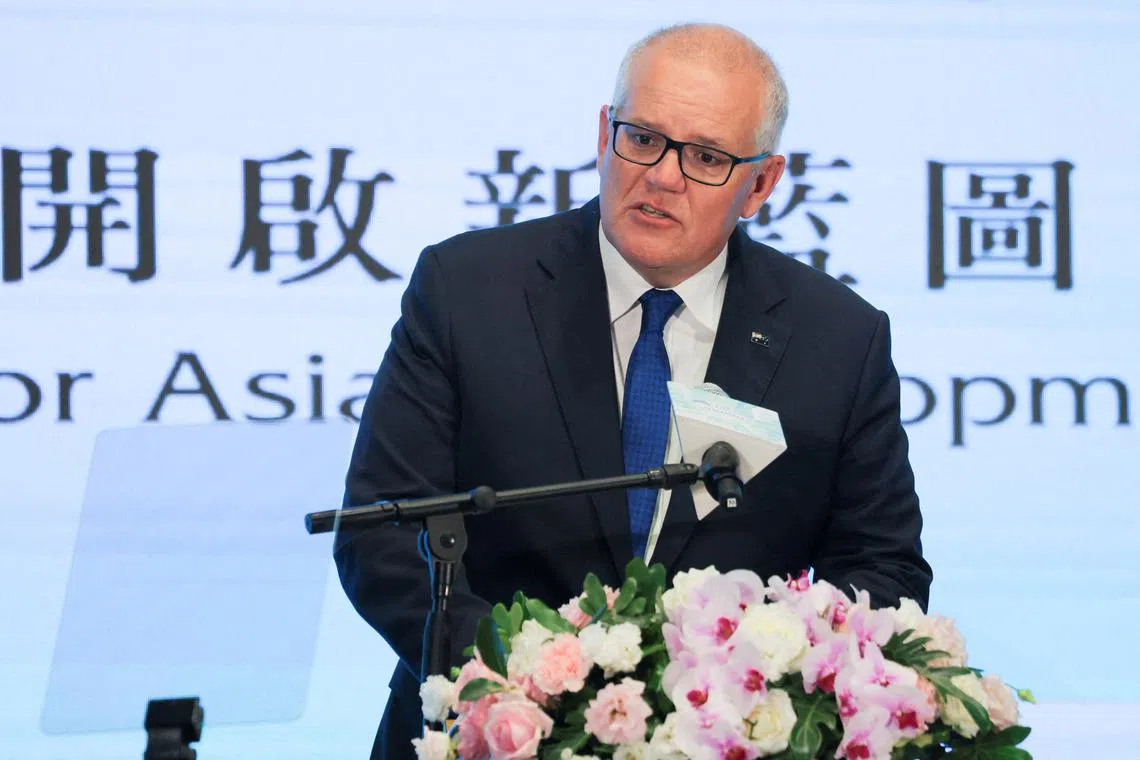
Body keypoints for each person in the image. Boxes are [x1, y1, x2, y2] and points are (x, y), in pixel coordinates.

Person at [335, 22, 932, 760]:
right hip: (490, 736)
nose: (663, 175)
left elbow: (883, 567)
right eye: (643, 138)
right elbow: (380, 531)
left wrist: (756, 691)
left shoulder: (838, 339)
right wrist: (535, 684)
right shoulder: (467, 292)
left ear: (762, 184)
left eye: (707, 156)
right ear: (603, 133)